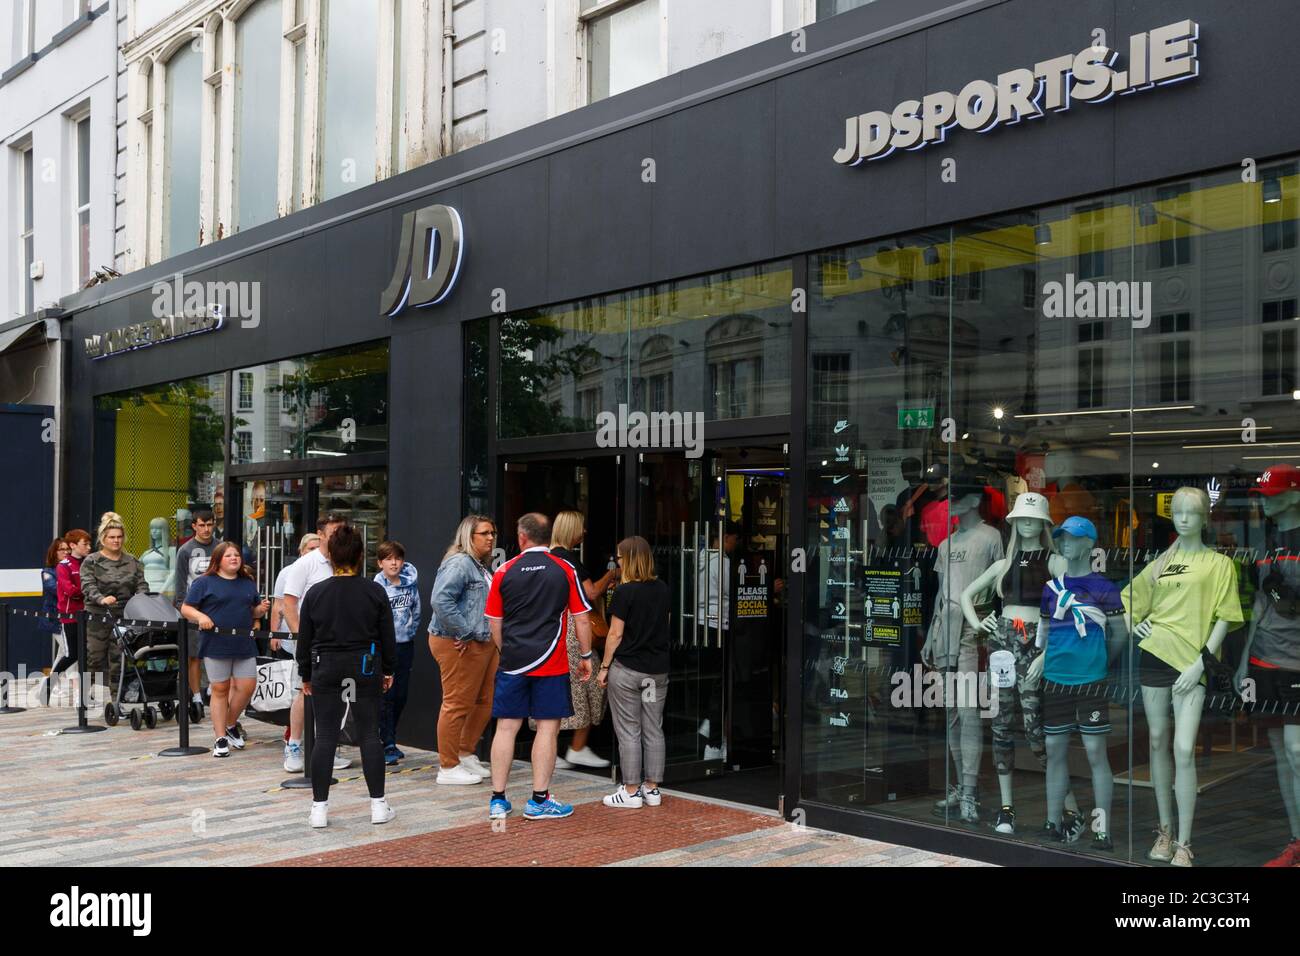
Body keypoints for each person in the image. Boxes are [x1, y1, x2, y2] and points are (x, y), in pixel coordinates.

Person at [485, 512, 594, 820]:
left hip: (513, 662)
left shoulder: (504, 571)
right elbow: (582, 617)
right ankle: (539, 800)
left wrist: (505, 650)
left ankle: (497, 800)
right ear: (549, 536)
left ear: (522, 537)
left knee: (506, 727)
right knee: (547, 728)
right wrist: (586, 657)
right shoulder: (565, 569)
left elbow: (495, 620)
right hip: (552, 662)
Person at [296, 523, 397, 828]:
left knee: (325, 736)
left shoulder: (316, 593)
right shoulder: (374, 591)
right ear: (359, 556)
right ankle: (378, 806)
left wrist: (305, 673)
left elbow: (305, 639)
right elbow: (387, 637)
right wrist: (388, 669)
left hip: (326, 667)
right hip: (365, 667)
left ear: (332, 556)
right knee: (369, 735)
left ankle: (319, 810)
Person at [599, 536, 671, 809]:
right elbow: (664, 624)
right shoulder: (662, 588)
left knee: (629, 730)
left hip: (628, 669)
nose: (617, 561)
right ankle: (652, 789)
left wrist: (604, 667)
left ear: (628, 559)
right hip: (657, 672)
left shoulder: (625, 592)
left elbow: (615, 634)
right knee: (654, 728)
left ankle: (630, 791)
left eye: (619, 557)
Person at [180, 542, 270, 757]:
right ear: (218, 560)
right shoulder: (204, 582)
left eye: (236, 555)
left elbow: (253, 611)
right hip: (215, 642)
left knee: (247, 686)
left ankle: (230, 724)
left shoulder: (247, 582)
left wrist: (261, 609)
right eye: (228, 555)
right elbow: (186, 607)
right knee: (220, 688)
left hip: (243, 642)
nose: (233, 558)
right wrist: (201, 617)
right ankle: (220, 737)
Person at [428, 514, 498, 785]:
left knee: (483, 701)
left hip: (482, 641)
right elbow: (441, 600)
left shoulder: (478, 565)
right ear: (469, 536)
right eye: (484, 533)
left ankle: (465, 753)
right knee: (456, 703)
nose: (491, 538)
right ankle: (448, 766)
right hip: (458, 642)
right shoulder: (459, 563)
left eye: (493, 532)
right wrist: (463, 632)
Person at [279, 515, 351, 773]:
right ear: (320, 534)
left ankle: (327, 747)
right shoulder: (305, 564)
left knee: (337, 695)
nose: (338, 536)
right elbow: (288, 604)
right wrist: (302, 639)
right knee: (303, 692)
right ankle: (294, 745)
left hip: (340, 642)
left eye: (342, 530)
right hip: (313, 642)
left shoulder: (345, 562)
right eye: (333, 531)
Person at [549, 510, 619, 770]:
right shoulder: (568, 560)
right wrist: (611, 575)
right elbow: (590, 592)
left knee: (561, 690)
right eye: (581, 527)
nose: (585, 532)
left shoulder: (547, 556)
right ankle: (574, 748)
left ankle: (564, 749)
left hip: (553, 633)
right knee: (590, 686)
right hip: (573, 634)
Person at [80, 512, 148, 702]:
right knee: (94, 657)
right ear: (103, 539)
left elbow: (141, 585)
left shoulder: (132, 561)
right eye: (112, 537)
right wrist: (101, 599)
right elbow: (87, 586)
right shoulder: (92, 561)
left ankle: (116, 698)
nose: (116, 541)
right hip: (98, 616)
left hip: (123, 616)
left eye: (119, 537)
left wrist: (144, 600)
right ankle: (84, 694)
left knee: (119, 659)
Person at [374, 540, 420, 765]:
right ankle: (387, 742)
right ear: (380, 562)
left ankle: (390, 737)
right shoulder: (376, 587)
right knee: (386, 696)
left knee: (401, 695)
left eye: (398, 558)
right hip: (384, 647)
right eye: (389, 559)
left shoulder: (411, 584)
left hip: (405, 645)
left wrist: (409, 632)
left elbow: (417, 611)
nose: (394, 563)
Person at [169, 508, 217, 712]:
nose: (206, 529)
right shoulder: (185, 550)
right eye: (202, 525)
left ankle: (214, 690)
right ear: (194, 526)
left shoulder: (221, 547)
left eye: (209, 524)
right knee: (194, 656)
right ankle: (196, 695)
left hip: (218, 608)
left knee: (217, 654)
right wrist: (182, 607)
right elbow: (179, 585)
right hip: (193, 609)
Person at [44, 530, 92, 704]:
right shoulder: (63, 566)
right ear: (73, 546)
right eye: (84, 544)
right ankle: (49, 684)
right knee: (72, 655)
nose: (88, 547)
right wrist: (91, 593)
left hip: (89, 615)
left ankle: (85, 692)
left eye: (89, 543)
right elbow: (69, 591)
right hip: (70, 617)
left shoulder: (89, 563)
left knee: (86, 655)